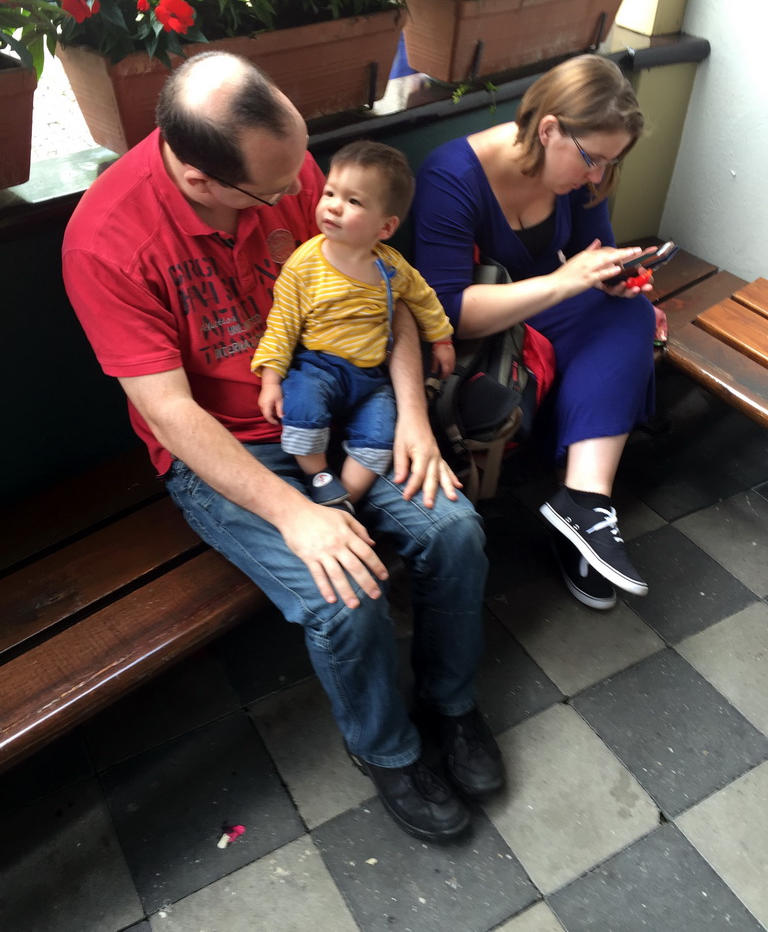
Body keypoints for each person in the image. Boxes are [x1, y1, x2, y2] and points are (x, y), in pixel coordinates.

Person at [62, 51, 504, 842]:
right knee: (345, 594)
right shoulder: (105, 242)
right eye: (278, 186)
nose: (304, 188)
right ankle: (388, 749)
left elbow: (388, 302)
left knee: (456, 531)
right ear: (203, 181)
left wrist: (412, 416)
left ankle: (451, 704)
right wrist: (296, 516)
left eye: (306, 165)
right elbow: (168, 414)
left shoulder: (295, 173)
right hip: (223, 451)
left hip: (351, 404)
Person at [411, 54, 657, 611]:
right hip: (482, 335)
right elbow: (450, 312)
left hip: (538, 313)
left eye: (609, 165)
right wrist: (566, 282)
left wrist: (611, 280)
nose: (596, 177)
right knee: (617, 334)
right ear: (549, 129)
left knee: (631, 315)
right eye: (592, 160)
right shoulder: (452, 176)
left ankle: (585, 505)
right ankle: (582, 524)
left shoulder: (580, 171)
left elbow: (594, 253)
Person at [252, 140, 455, 509]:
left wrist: (441, 339)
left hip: (371, 379)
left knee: (380, 435)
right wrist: (270, 379)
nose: (333, 205)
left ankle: (344, 498)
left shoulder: (391, 267)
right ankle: (319, 476)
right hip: (319, 367)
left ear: (386, 226)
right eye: (330, 192)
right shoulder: (305, 264)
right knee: (302, 410)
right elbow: (282, 323)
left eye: (353, 201)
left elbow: (423, 299)